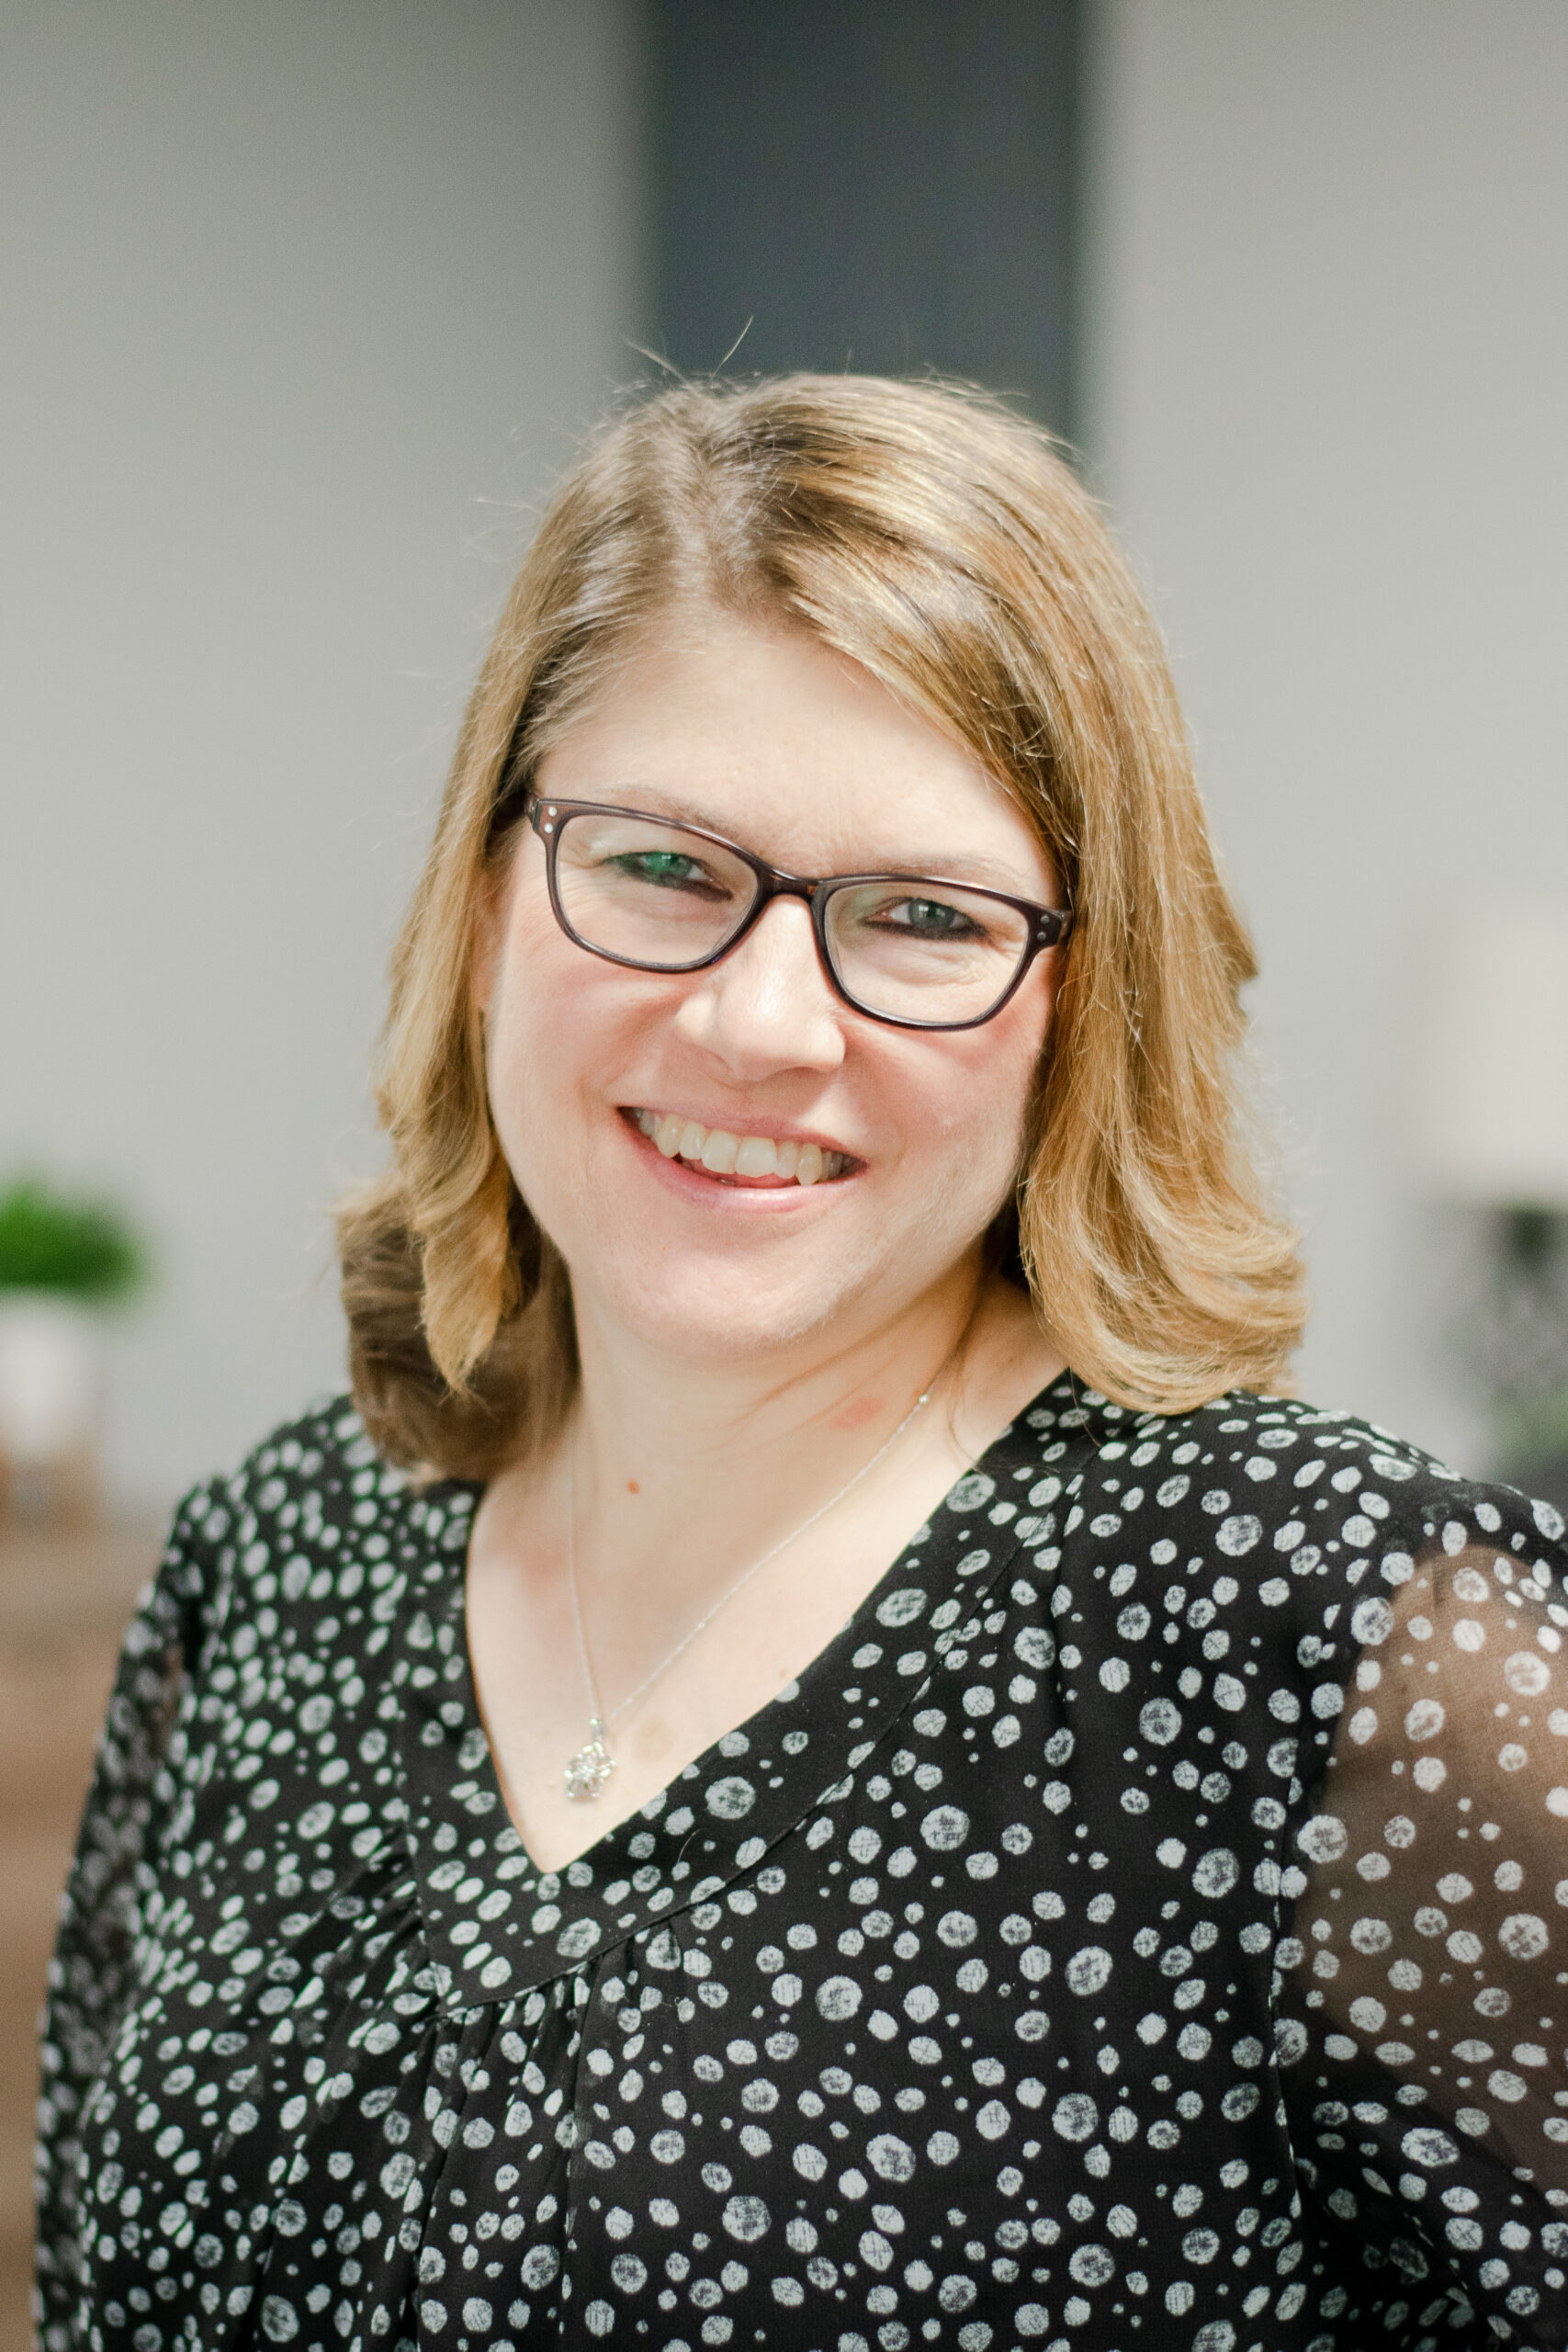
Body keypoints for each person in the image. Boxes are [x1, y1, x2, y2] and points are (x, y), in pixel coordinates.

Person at [35, 377, 1568, 2352]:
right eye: (664, 868)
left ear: (1073, 1004)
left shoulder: (1350, 1636)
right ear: (493, 895)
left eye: (922, 916)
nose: (763, 1020)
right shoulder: (274, 1556)